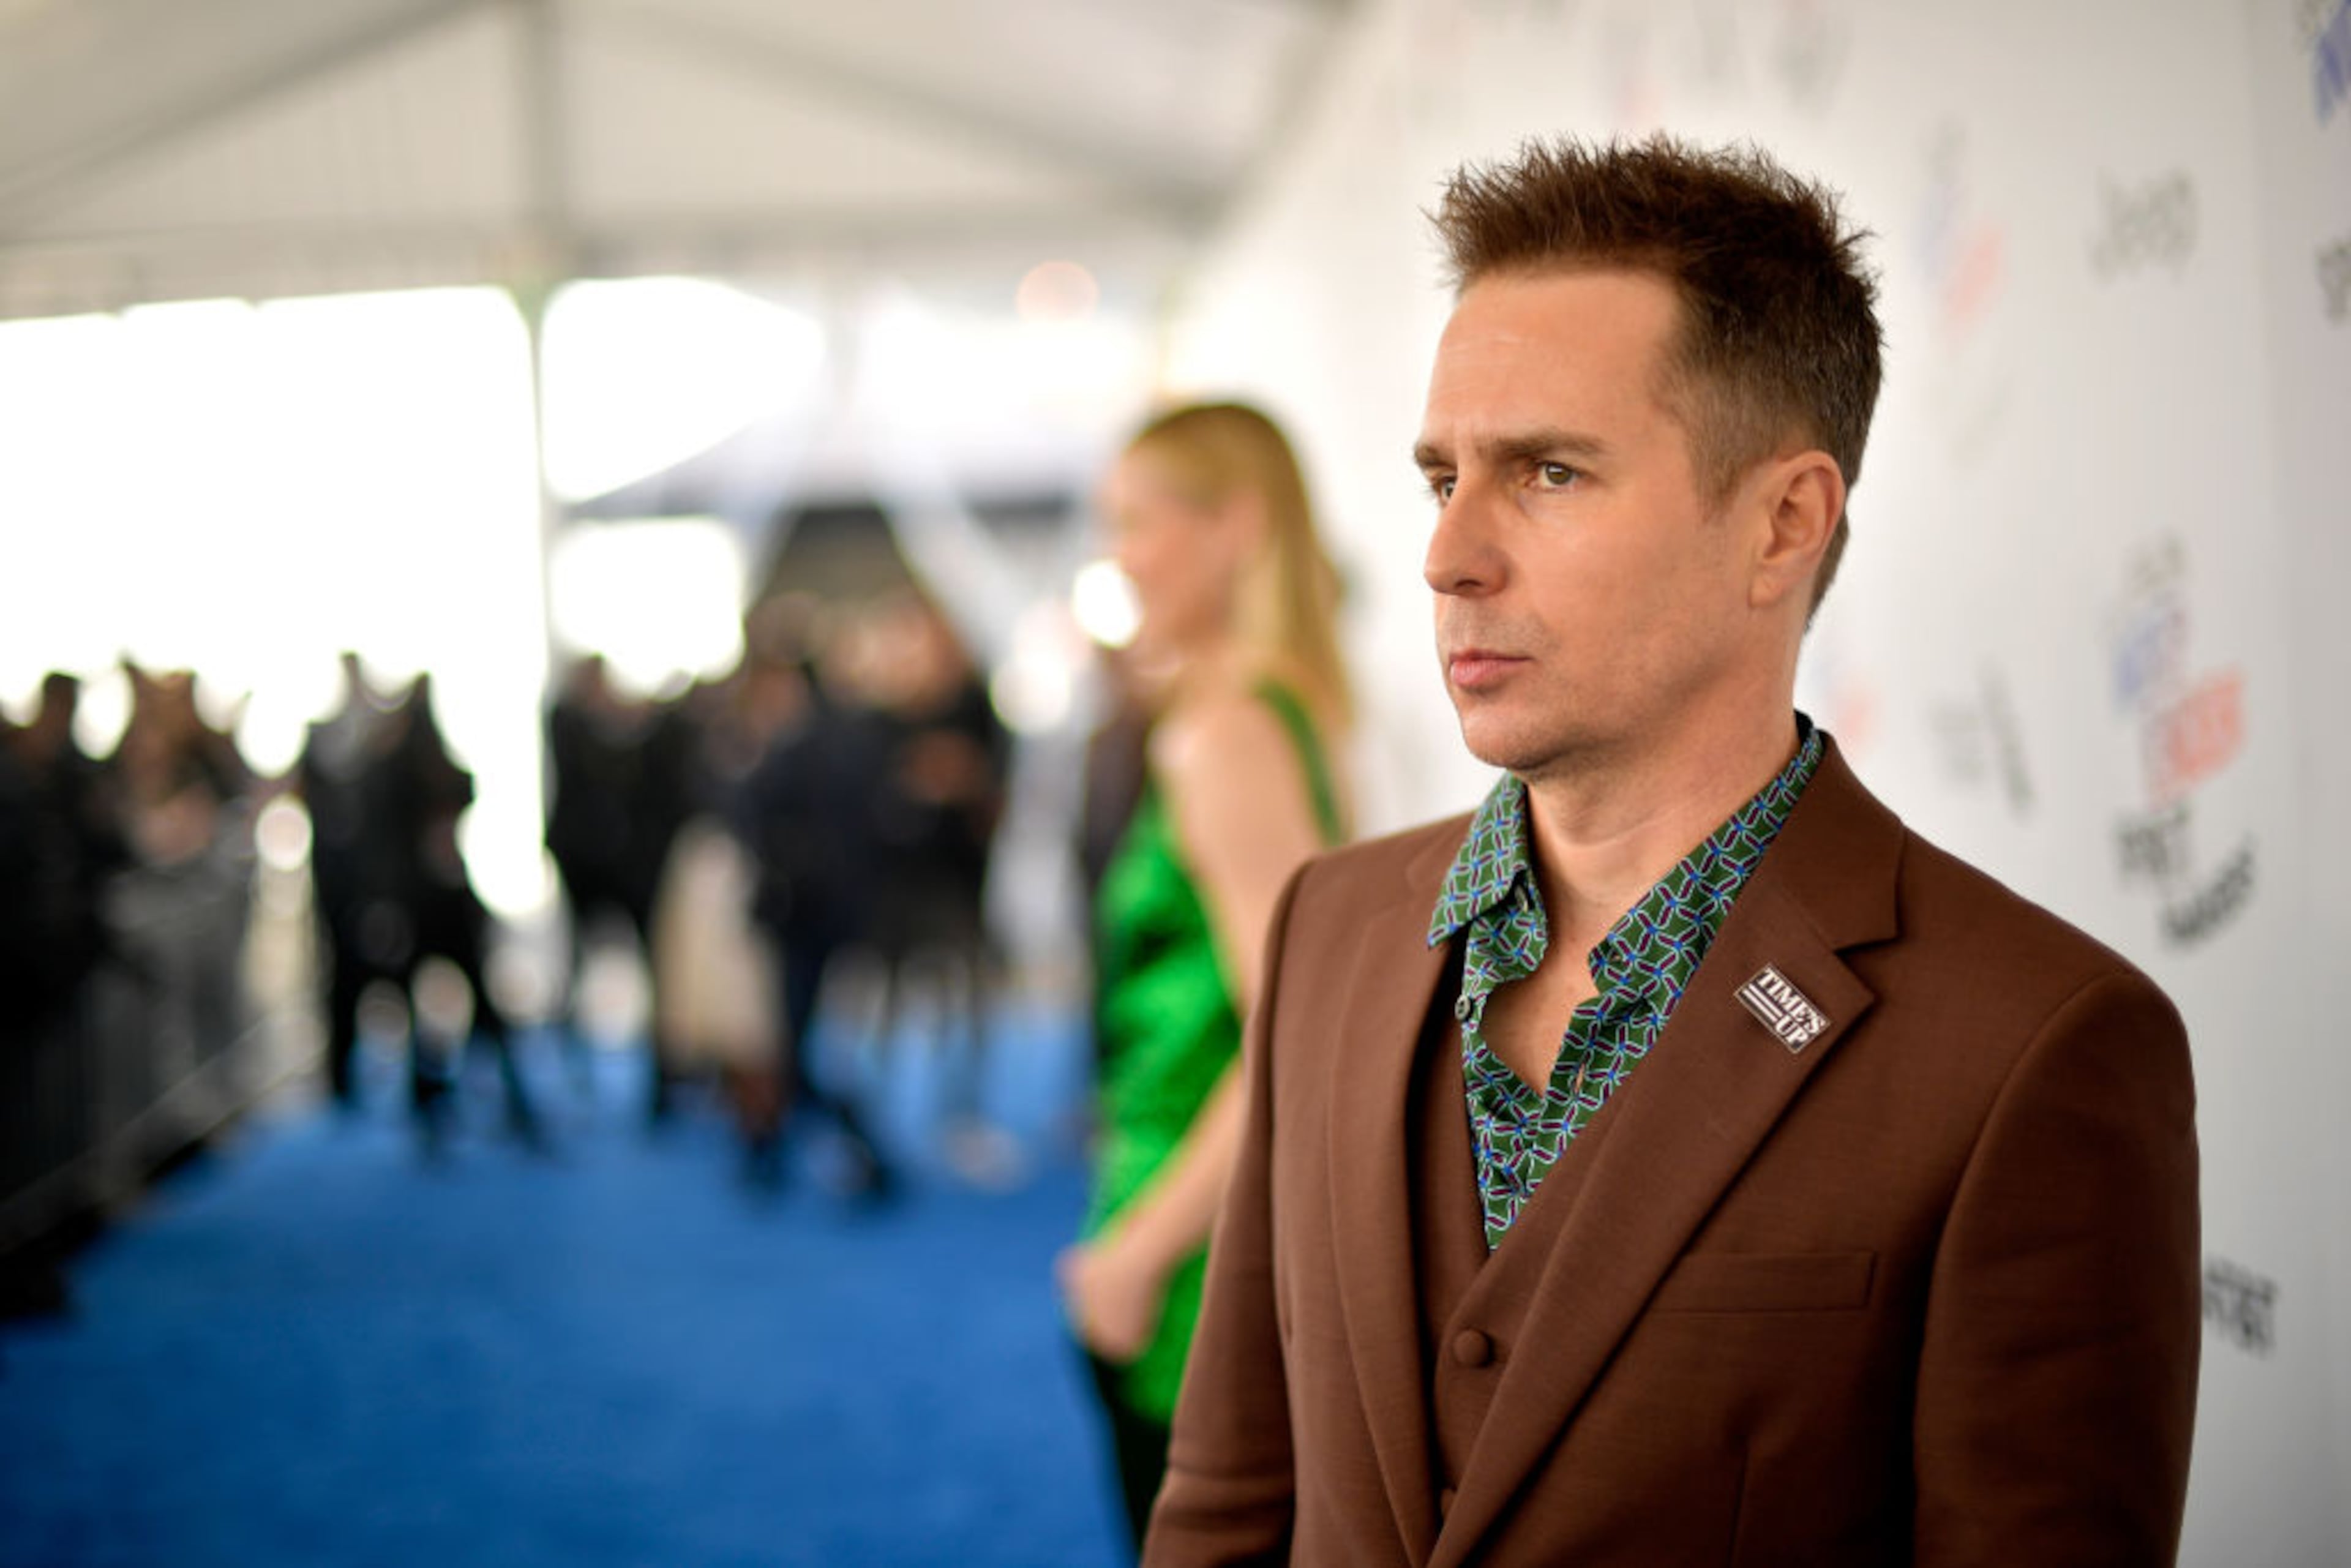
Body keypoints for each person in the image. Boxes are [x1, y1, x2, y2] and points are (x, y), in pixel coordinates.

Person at [1144, 137, 2200, 1567]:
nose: (1448, 554)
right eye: (1440, 475)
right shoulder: (1331, 926)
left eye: (1551, 473)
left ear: (1783, 525)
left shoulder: (2033, 1044)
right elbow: (1226, 1501)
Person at [1059, 402, 1351, 1554]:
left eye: (1138, 521)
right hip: (1202, 1214)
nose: (1120, 556)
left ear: (1234, 527)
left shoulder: (1225, 726)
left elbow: (1298, 1027)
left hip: (1195, 1251)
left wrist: (1141, 1247)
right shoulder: (1270, 705)